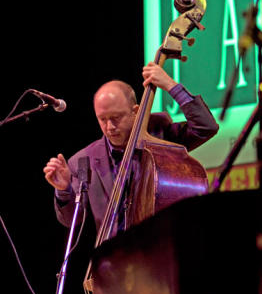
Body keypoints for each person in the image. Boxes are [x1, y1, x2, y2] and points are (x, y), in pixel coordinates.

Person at [43, 62, 219, 233]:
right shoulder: (82, 161)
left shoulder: (161, 134)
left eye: (116, 117)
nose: (109, 127)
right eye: (102, 119)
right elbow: (71, 221)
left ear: (135, 112)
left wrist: (171, 86)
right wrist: (63, 190)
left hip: (163, 249)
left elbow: (206, 127)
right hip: (116, 258)